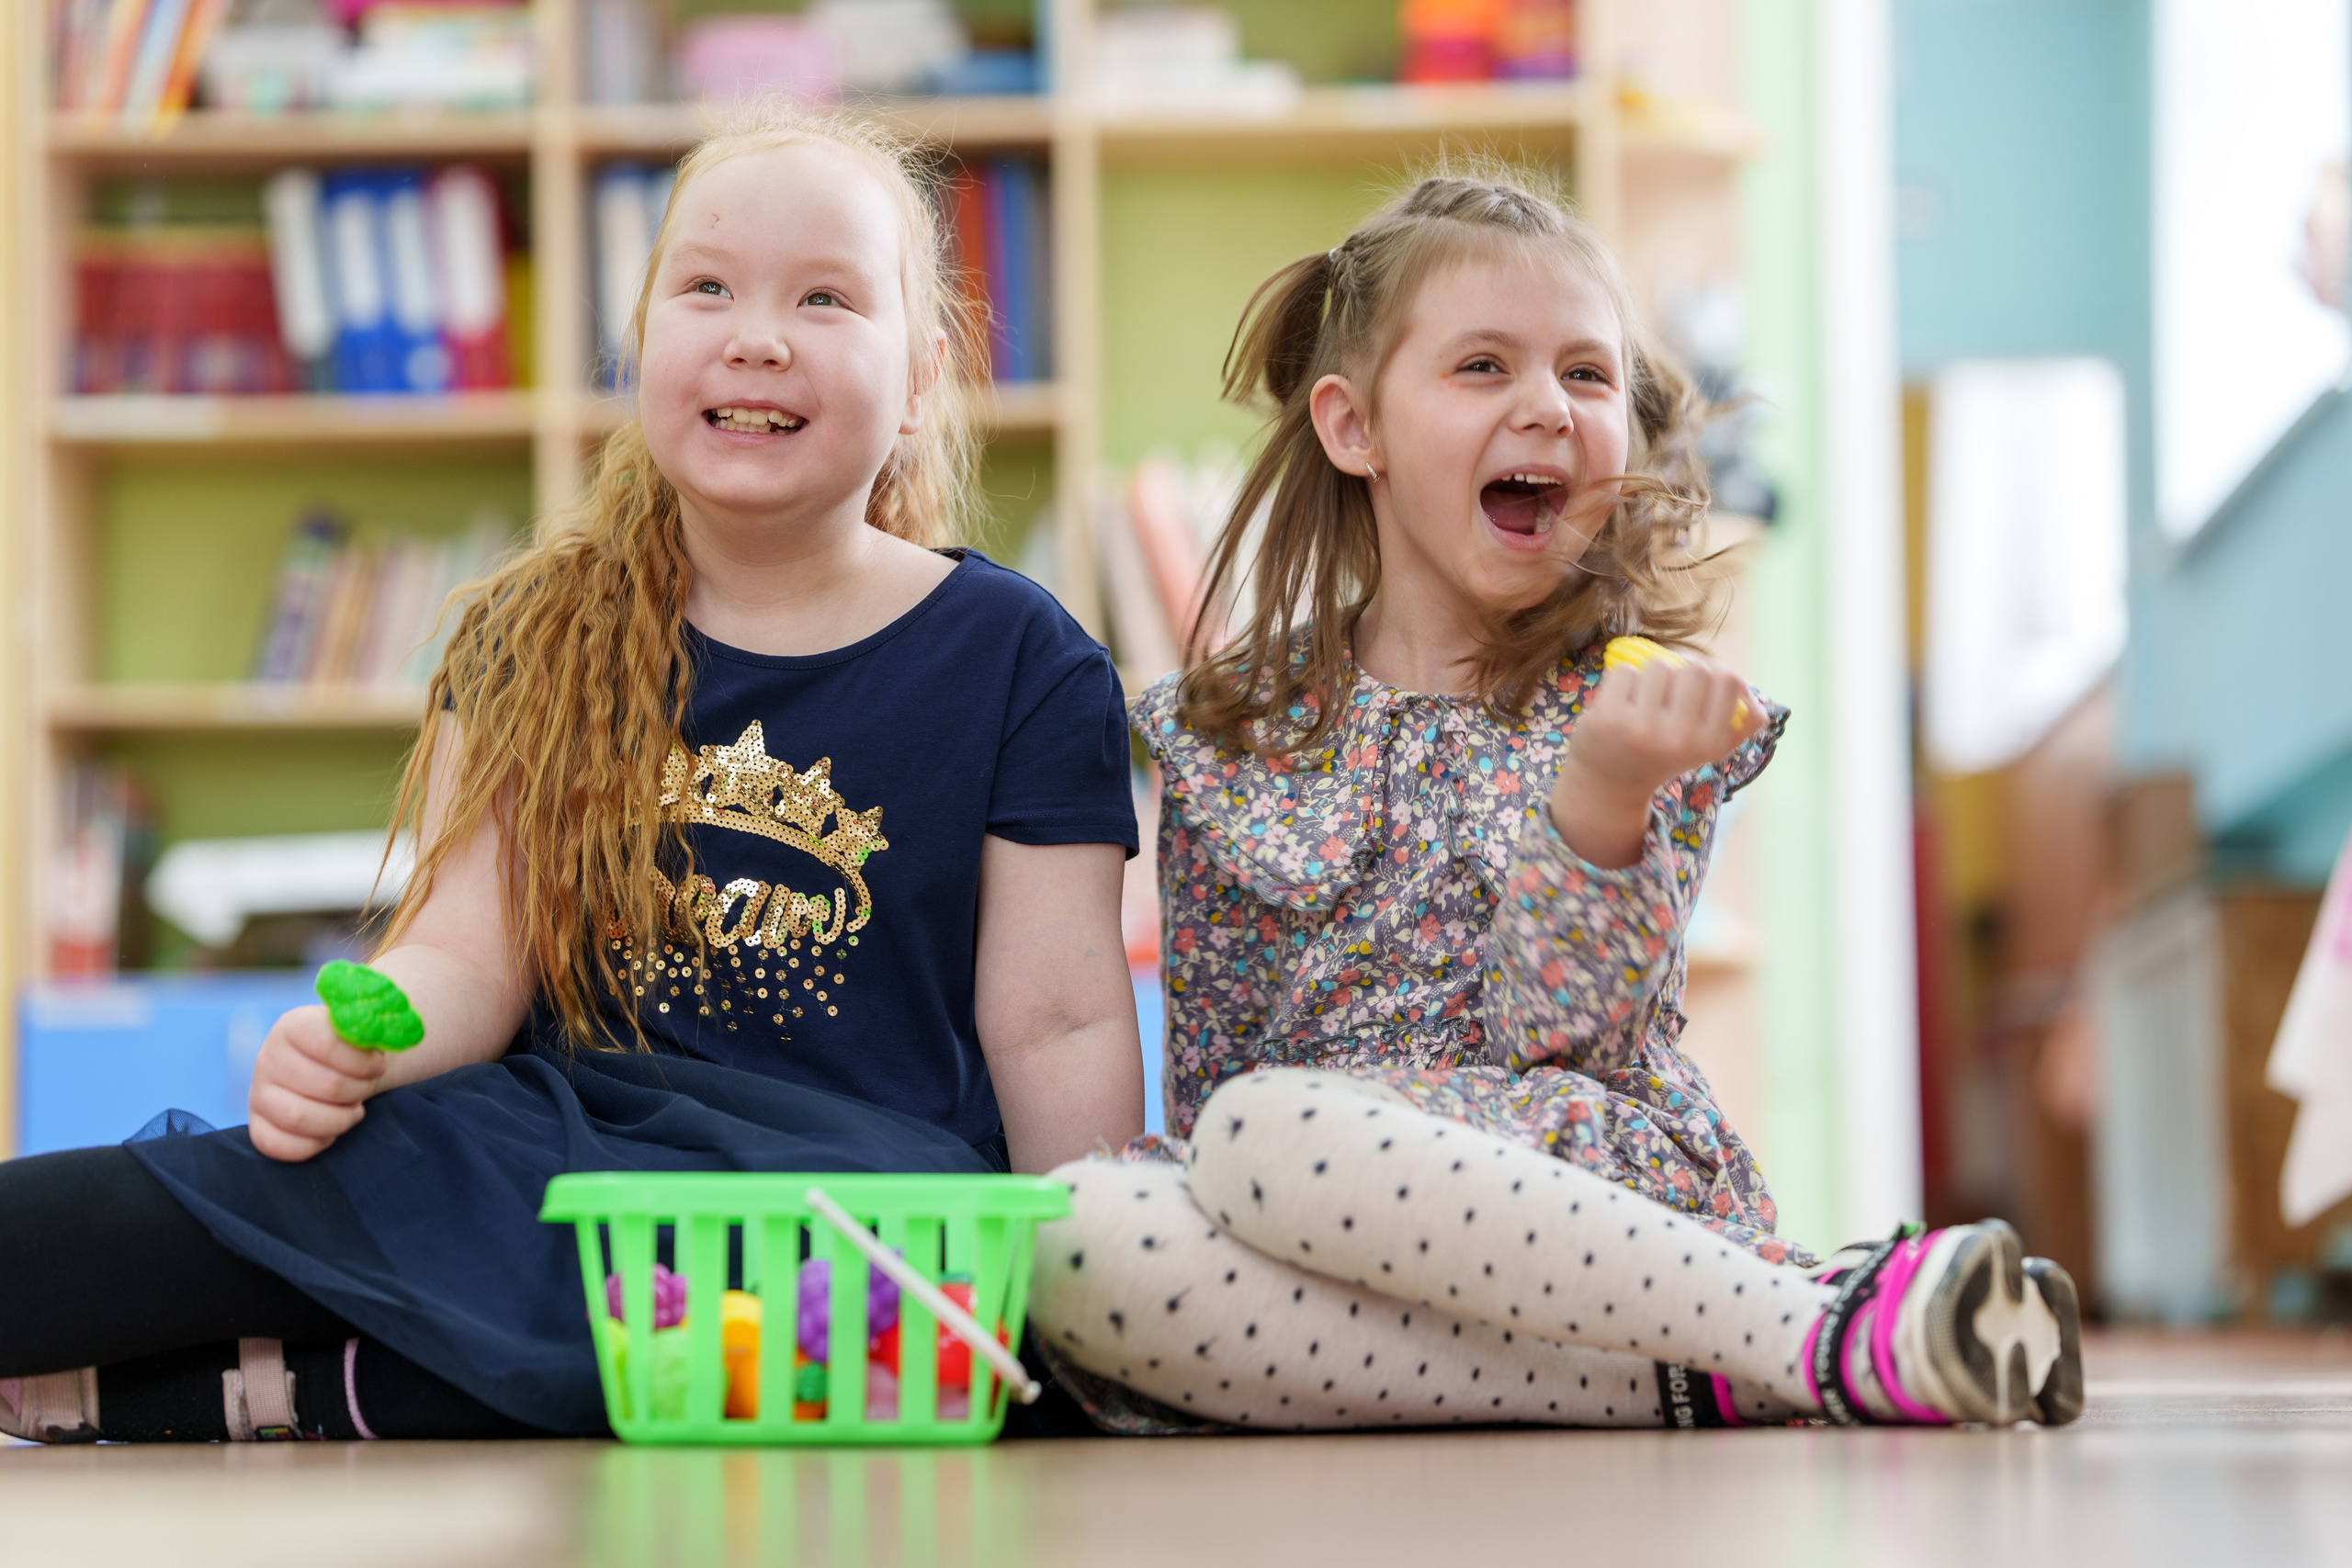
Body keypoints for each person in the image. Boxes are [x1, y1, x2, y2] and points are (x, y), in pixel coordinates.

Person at [0, 107, 1143, 1444]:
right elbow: (469, 964)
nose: (756, 333)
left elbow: (1057, 1026)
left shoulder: (1025, 660)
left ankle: (282, 1388)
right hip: (542, 1168)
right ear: (641, 340)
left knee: (737, 1356)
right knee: (79, 1224)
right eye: (705, 287)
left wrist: (1093, 1303)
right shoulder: (536, 630)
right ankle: (284, 1380)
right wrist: (360, 1045)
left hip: (844, 1220)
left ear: (919, 382)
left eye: (826, 298)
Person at [1030, 165, 2083, 1433]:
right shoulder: (1233, 728)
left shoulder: (1637, 711)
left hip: (1588, 1189)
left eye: (1587, 376)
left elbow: (1572, 1043)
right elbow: (1213, 1073)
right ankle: (1734, 1372)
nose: (1548, 407)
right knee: (1081, 1231)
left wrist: (1606, 792)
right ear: (1353, 426)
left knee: (1262, 1132)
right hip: (1325, 1225)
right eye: (1484, 368)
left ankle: (1811, 1331)